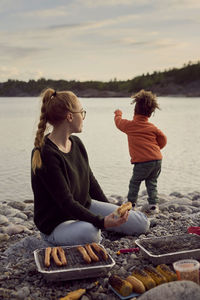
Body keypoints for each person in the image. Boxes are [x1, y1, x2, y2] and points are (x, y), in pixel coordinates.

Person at [31, 88, 149, 246]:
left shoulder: (77, 144)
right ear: (70, 116)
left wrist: (113, 213)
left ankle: (98, 225)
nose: (83, 117)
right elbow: (66, 202)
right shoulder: (46, 153)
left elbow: (90, 182)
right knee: (91, 233)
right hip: (56, 223)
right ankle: (59, 237)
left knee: (142, 223)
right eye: (82, 112)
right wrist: (102, 222)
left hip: (84, 207)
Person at [114, 89, 167, 214]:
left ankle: (131, 204)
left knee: (135, 182)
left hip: (142, 162)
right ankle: (153, 205)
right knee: (152, 182)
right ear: (150, 113)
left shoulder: (130, 125)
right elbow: (163, 139)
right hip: (157, 159)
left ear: (134, 111)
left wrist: (118, 113)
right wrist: (156, 149)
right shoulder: (152, 127)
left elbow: (118, 123)